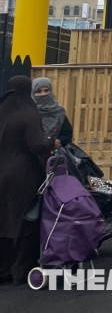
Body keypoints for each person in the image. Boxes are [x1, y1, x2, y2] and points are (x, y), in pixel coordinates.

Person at [0, 76, 52, 285]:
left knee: (3, 222)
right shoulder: (28, 113)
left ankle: (3, 269)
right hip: (23, 176)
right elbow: (37, 146)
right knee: (25, 221)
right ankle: (21, 271)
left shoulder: (2, 110)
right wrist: (49, 164)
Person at [32, 77, 72, 148]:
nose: (43, 94)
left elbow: (67, 134)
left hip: (55, 155)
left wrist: (59, 141)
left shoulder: (59, 112)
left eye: (46, 90)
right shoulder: (29, 112)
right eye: (38, 91)